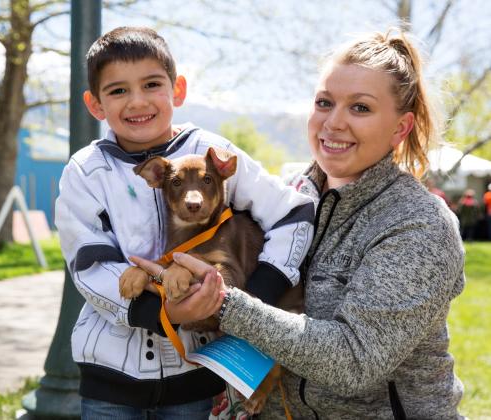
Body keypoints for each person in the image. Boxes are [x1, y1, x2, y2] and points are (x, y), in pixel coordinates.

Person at [133, 29, 466, 418]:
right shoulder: (287, 199)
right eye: (325, 102)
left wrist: (226, 303)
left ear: (401, 128)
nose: (334, 123)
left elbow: (353, 361)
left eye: (360, 108)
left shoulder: (417, 224)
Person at [54, 26, 315, 419]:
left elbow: (293, 214)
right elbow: (90, 266)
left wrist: (255, 297)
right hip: (109, 380)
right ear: (95, 105)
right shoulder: (86, 172)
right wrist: (164, 312)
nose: (137, 101)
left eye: (151, 84)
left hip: (197, 377)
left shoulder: (213, 152)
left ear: (177, 89)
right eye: (118, 90)